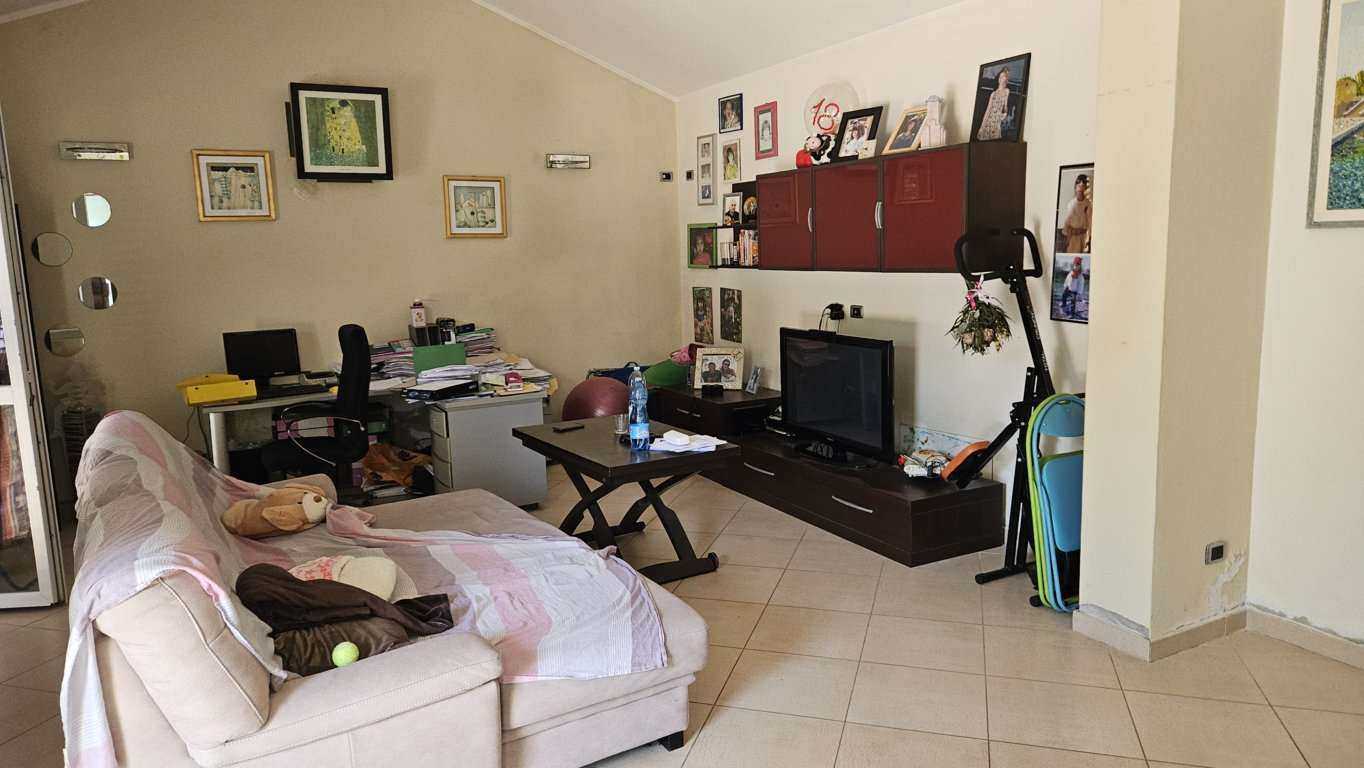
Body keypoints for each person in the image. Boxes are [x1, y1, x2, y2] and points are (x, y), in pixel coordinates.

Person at [977, 67, 1012, 141]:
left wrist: (1004, 114)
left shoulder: (1007, 91)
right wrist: (982, 126)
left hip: (997, 120)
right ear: (999, 79)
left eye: (1005, 76)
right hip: (989, 121)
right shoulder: (993, 94)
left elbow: (1005, 105)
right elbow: (988, 110)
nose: (1003, 78)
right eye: (1001, 76)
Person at [1060, 174, 1092, 253]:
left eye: (1083, 186)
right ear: (1075, 187)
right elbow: (1067, 225)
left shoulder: (1088, 204)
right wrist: (1069, 236)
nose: (1080, 189)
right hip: (1072, 239)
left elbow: (1090, 223)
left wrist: (1088, 239)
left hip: (1084, 238)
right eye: (1078, 185)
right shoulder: (1071, 204)